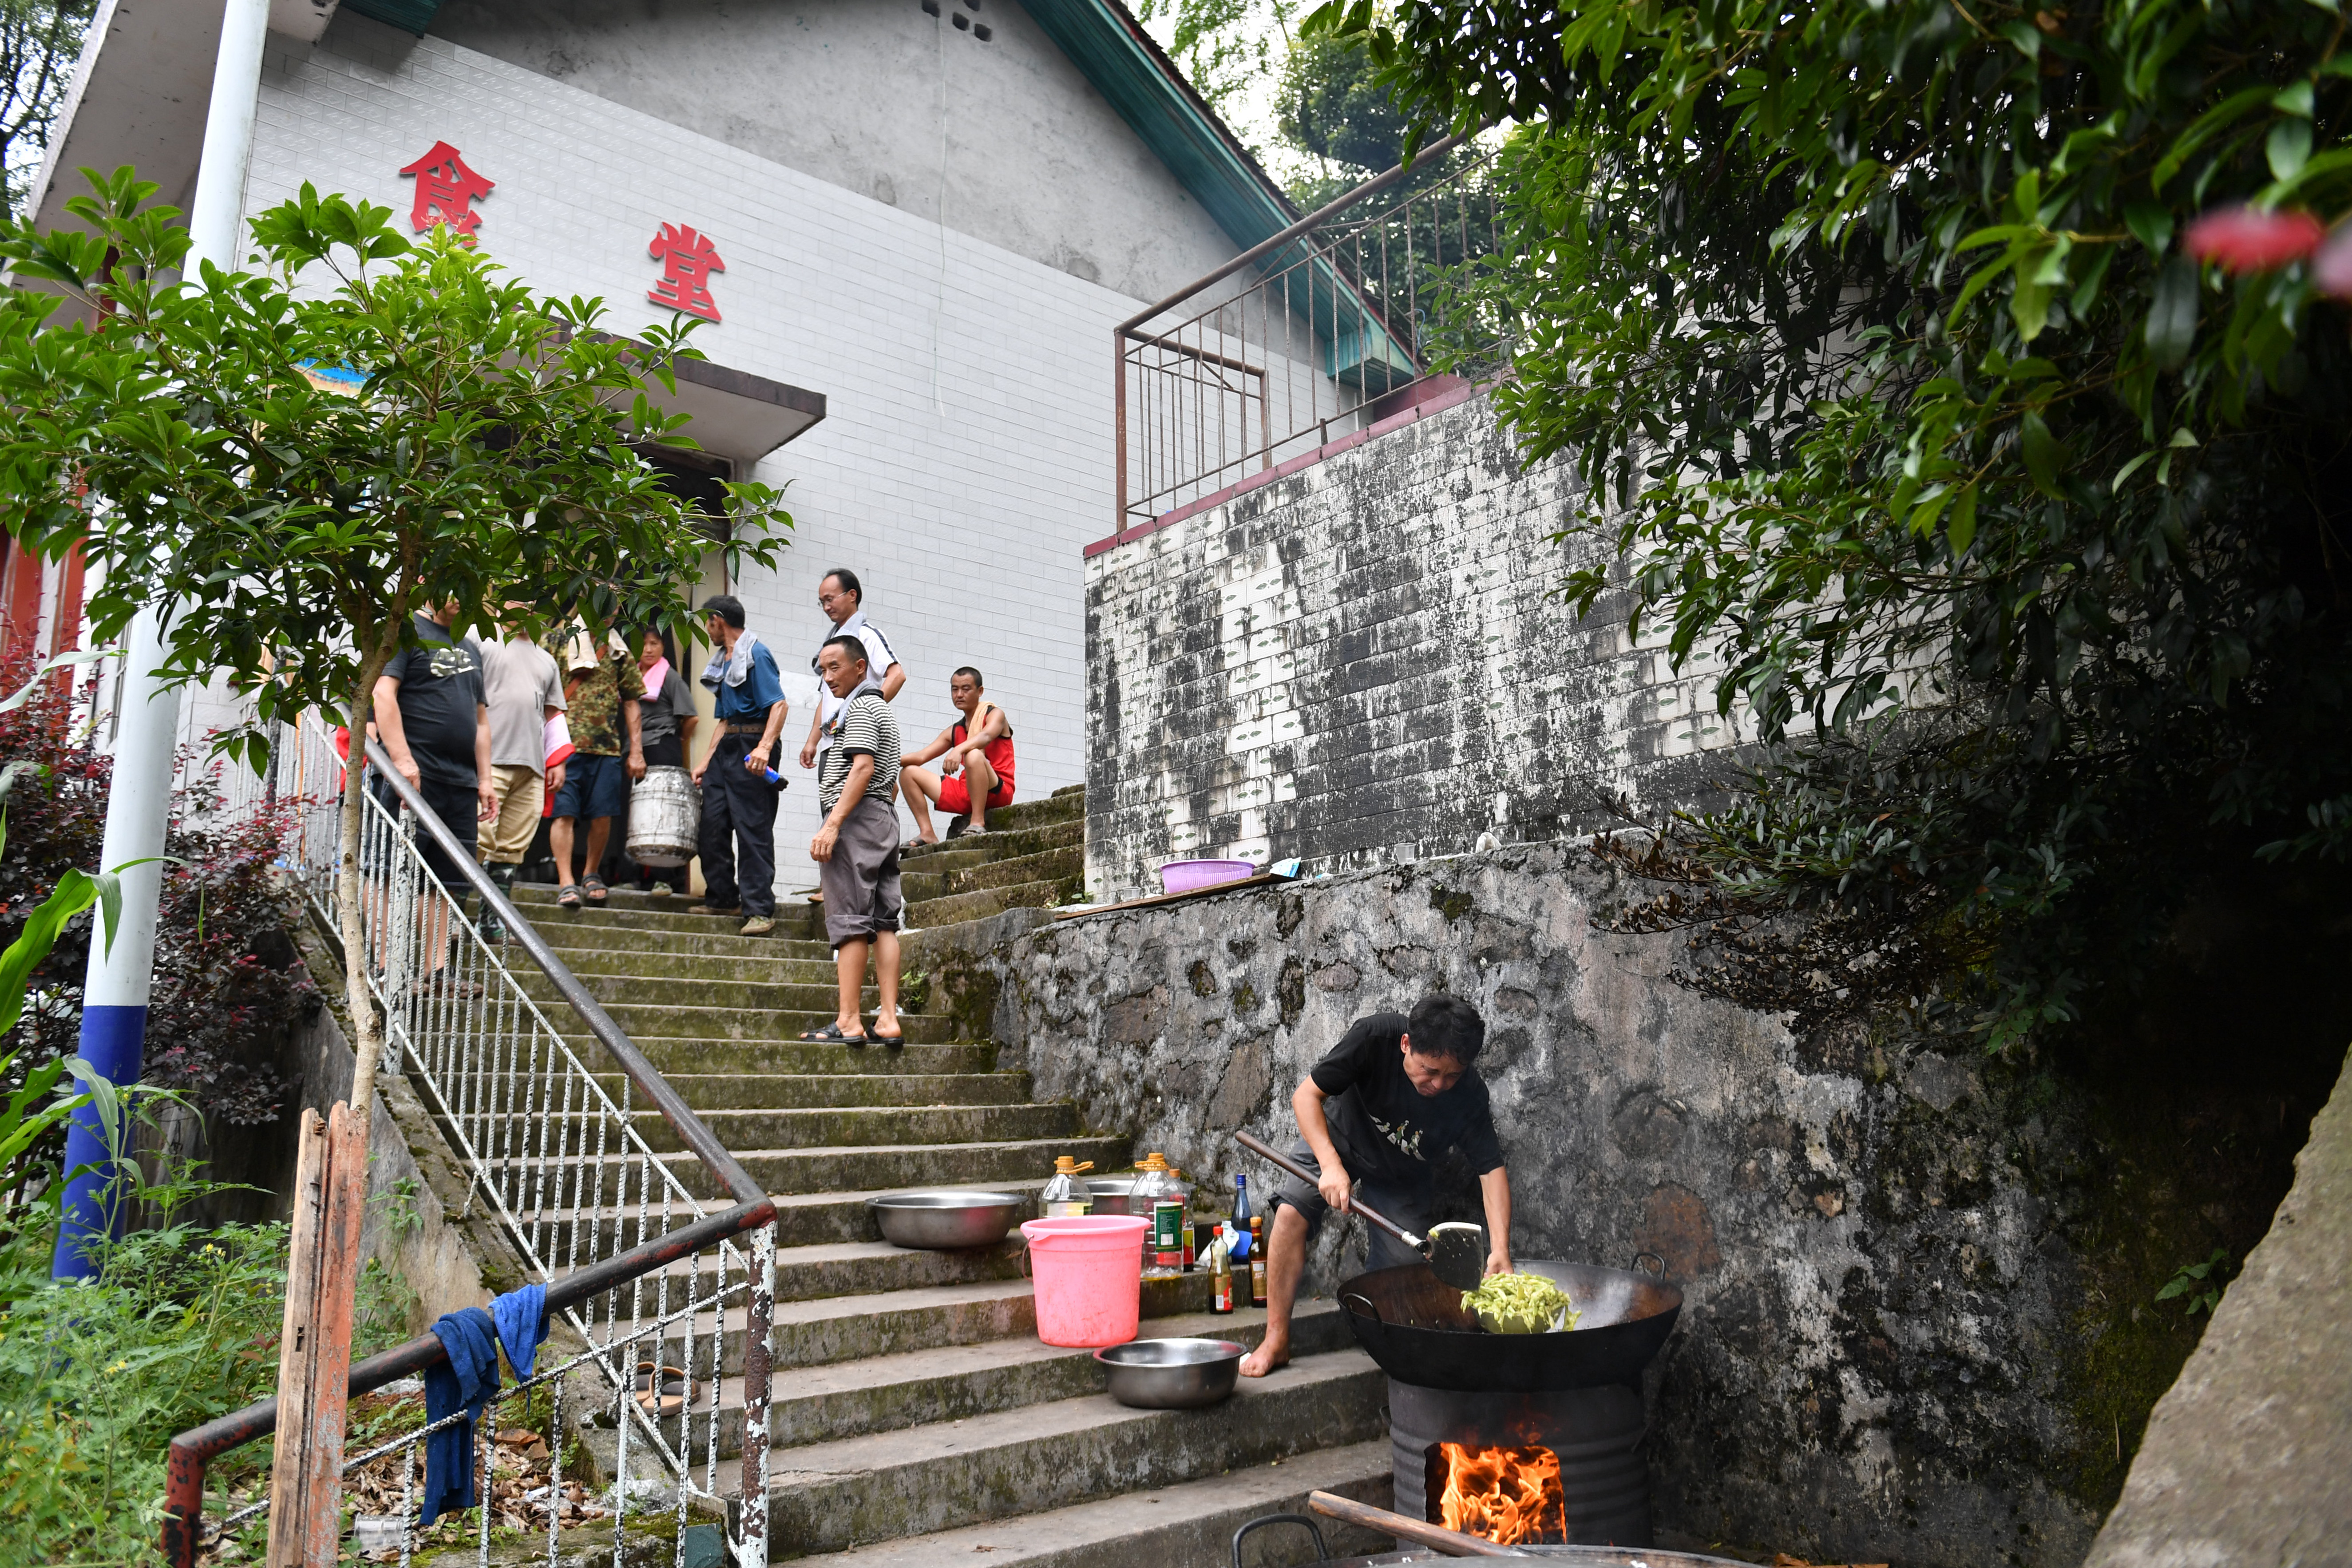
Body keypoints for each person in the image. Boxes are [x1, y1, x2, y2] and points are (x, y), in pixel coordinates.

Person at [1238, 994, 1513, 1378]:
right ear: (1406, 1045)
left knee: (1403, 1268)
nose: (1439, 1084)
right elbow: (1306, 1097)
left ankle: (1384, 1353)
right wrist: (1332, 1167)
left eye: (1451, 1075)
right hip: (1339, 1138)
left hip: (1403, 1174)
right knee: (1290, 1213)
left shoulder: (1468, 1093)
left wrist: (1500, 1249)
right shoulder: (1375, 1037)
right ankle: (1276, 1340)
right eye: (1430, 1070)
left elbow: (1491, 1170)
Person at [369, 600, 497, 991]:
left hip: (459, 781)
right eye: (454, 588)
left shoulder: (471, 645)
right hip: (412, 777)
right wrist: (403, 762)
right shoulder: (405, 631)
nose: (461, 598)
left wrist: (486, 779)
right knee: (388, 872)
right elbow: (382, 695)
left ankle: (438, 971)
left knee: (444, 881)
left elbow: (480, 722)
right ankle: (385, 964)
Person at [801, 635, 905, 1046]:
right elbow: (888, 778)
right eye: (823, 670)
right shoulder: (882, 709)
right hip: (883, 818)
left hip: (856, 820)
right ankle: (888, 1021)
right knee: (884, 922)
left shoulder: (861, 707)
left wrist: (833, 824)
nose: (828, 678)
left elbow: (861, 768)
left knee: (849, 922)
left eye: (835, 668)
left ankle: (848, 1020)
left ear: (861, 667)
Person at [693, 594, 788, 936]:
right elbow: (723, 721)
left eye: (708, 622)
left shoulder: (757, 654)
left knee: (752, 830)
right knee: (712, 825)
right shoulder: (723, 661)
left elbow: (779, 706)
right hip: (728, 746)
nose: (707, 630)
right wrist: (705, 762)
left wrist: (765, 747)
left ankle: (760, 910)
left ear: (718, 620)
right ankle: (721, 897)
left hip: (754, 747)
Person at [475, 605, 566, 941]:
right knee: (476, 841)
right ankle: (450, 918)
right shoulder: (481, 638)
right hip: (490, 760)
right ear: (502, 600)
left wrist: (557, 760)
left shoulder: (546, 659)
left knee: (511, 849)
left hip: (532, 765)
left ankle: (491, 922)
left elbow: (553, 714)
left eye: (534, 601)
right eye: (518, 597)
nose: (528, 606)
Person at [546, 622, 645, 908]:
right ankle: (566, 881)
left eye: (614, 605)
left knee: (603, 816)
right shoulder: (557, 639)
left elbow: (631, 700)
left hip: (607, 748)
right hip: (564, 746)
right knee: (563, 814)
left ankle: (591, 873)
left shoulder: (618, 649)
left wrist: (636, 750)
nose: (608, 609)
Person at [796, 567, 906, 775]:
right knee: (831, 805)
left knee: (856, 805)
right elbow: (826, 697)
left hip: (858, 739)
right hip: (831, 742)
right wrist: (812, 741)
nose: (827, 607)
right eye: (822, 602)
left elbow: (897, 675)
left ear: (852, 595)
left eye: (830, 599)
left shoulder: (867, 634)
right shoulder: (832, 644)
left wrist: (866, 713)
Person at [899, 665, 1014, 843]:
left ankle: (977, 822)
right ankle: (927, 833)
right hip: (967, 790)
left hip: (998, 790)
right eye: (955, 689)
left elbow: (986, 736)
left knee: (974, 755)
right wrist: (883, 758)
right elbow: (921, 757)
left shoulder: (996, 715)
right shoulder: (955, 730)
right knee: (908, 773)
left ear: (980, 691)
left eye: (966, 689)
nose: (959, 694)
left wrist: (959, 749)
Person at [632, 626, 700, 895]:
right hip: (636, 749)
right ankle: (631, 876)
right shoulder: (633, 674)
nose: (648, 649)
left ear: (663, 648)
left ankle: (663, 879)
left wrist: (677, 740)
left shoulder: (669, 677)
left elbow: (692, 717)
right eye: (644, 644)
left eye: (655, 644)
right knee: (635, 811)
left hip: (663, 745)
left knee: (661, 811)